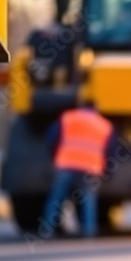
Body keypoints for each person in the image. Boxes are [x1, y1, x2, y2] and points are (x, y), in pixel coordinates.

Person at [42, 102, 116, 238]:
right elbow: (110, 152)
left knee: (56, 198)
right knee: (88, 200)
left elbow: (52, 137)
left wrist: (53, 155)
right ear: (96, 110)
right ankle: (88, 231)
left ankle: (47, 229)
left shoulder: (68, 118)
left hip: (66, 164)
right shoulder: (104, 125)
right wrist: (109, 173)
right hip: (90, 168)